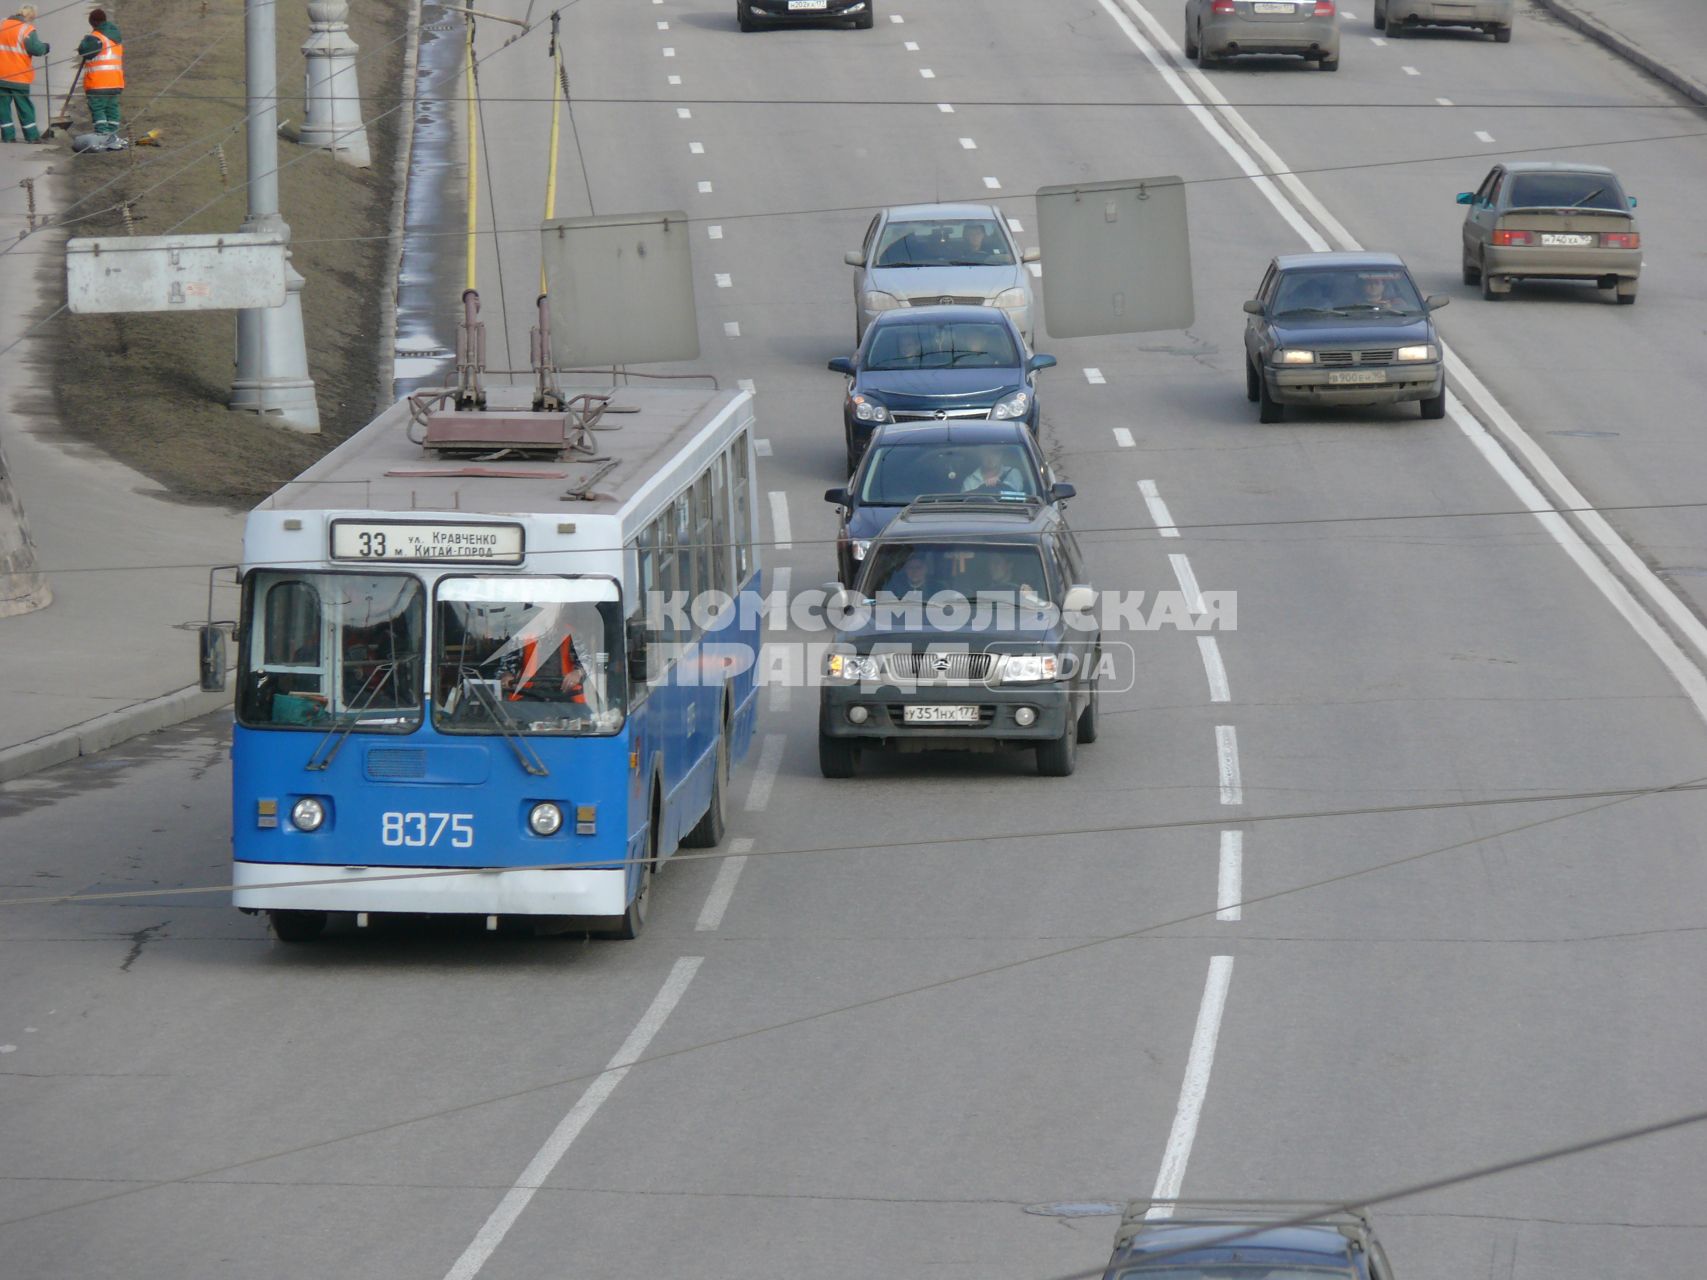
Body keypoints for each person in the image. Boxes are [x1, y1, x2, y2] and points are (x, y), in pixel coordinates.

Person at [0, 6, 47, 143]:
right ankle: (31, 136)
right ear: (30, 17)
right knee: (24, 106)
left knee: (3, 106)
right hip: (19, 76)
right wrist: (45, 47)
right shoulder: (26, 30)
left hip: (1, 75)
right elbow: (36, 49)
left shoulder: (2, 24)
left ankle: (8, 136)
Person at [77, 8, 122, 141]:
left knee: (98, 108)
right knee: (112, 108)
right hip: (115, 81)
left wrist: (87, 39)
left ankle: (102, 135)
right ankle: (113, 135)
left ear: (92, 22)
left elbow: (84, 51)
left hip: (98, 82)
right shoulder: (115, 37)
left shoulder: (96, 37)